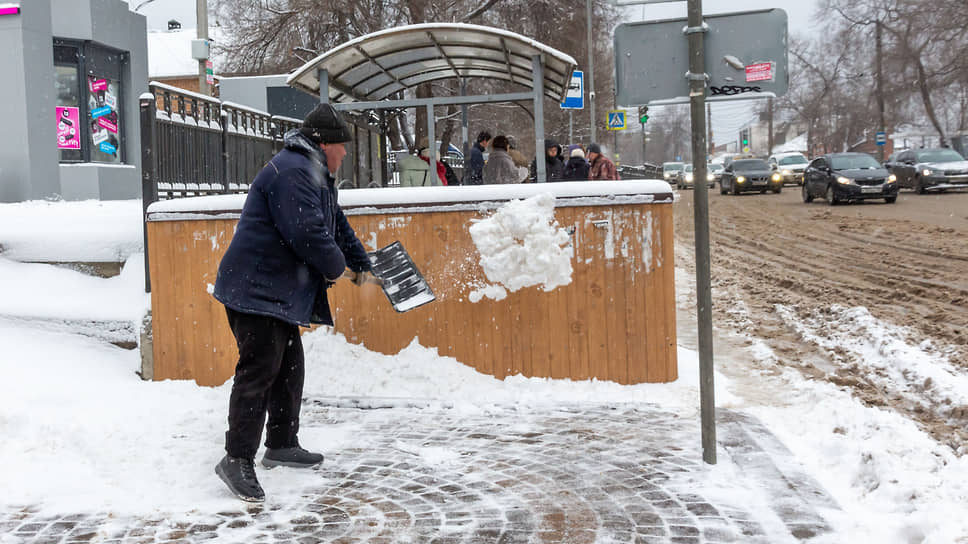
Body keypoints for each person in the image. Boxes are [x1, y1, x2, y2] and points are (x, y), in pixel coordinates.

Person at [211, 102, 378, 503]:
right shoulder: (292, 172)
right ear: (325, 143)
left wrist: (363, 264)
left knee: (289, 369)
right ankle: (236, 458)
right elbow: (307, 234)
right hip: (255, 291)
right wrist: (343, 271)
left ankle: (282, 443)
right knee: (259, 372)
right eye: (343, 148)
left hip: (274, 292)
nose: (345, 155)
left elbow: (334, 223)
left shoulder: (312, 171)